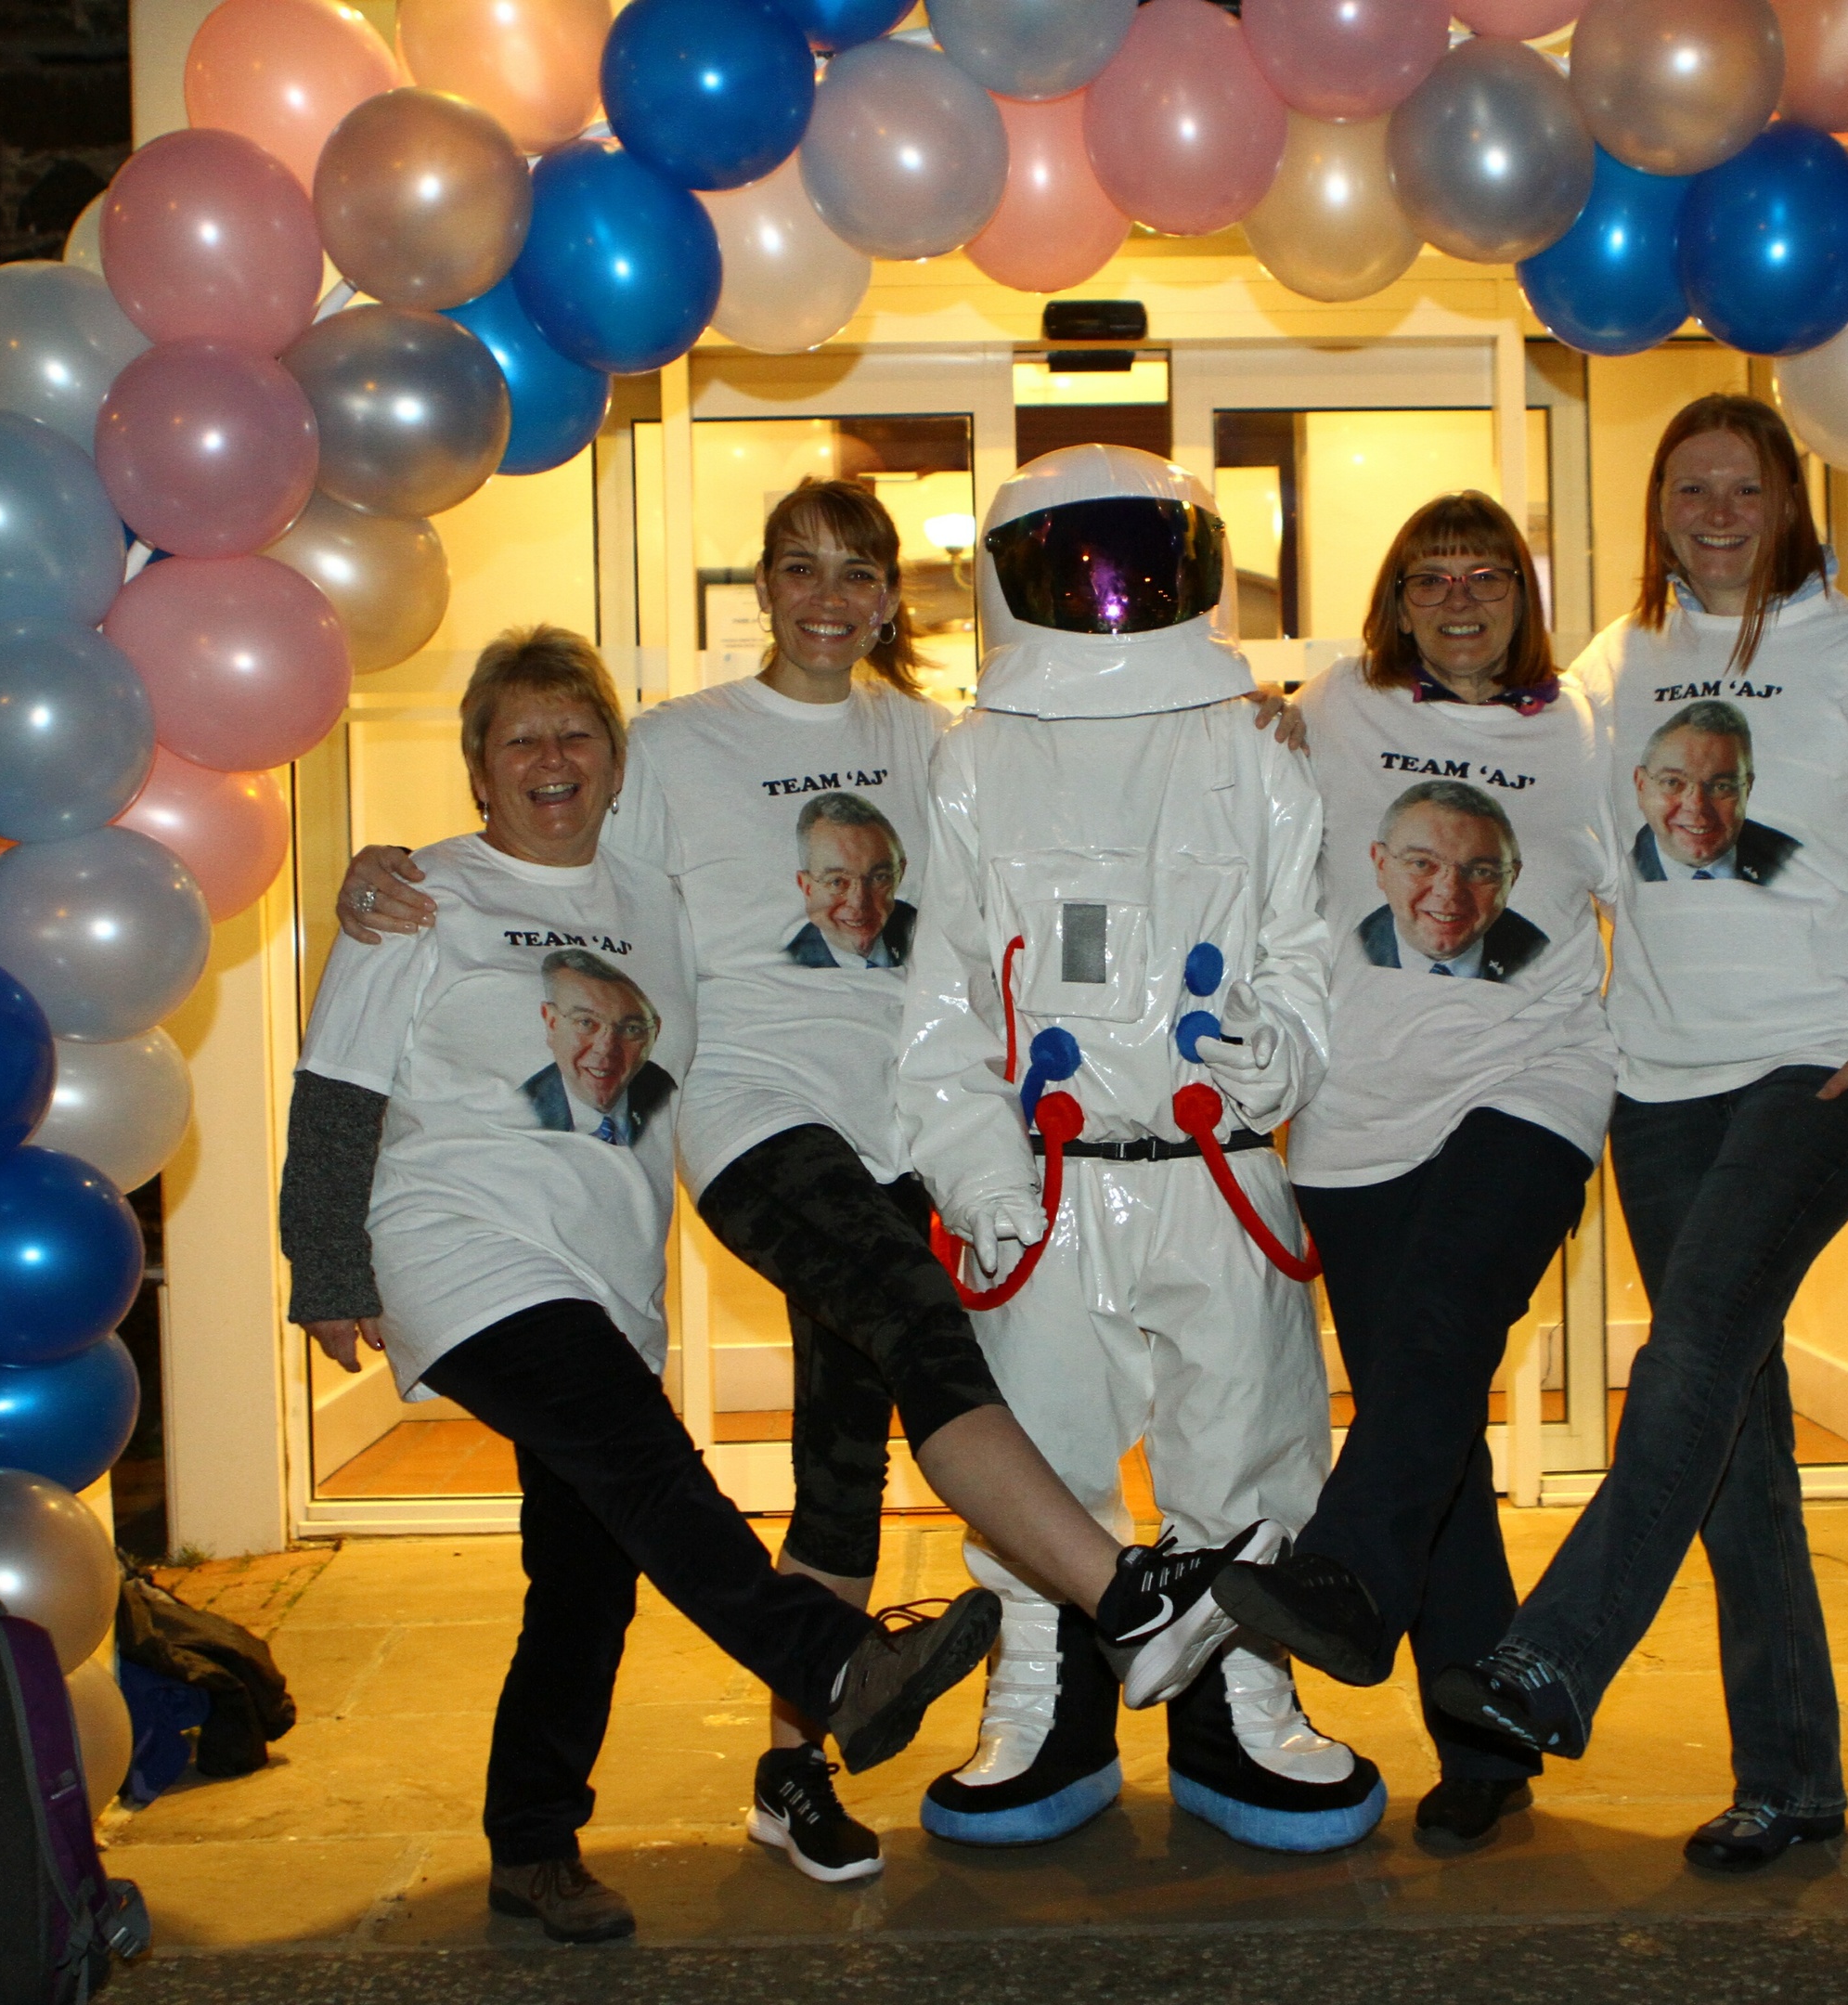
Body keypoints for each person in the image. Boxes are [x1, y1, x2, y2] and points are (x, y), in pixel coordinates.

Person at [332, 485, 1262, 1888]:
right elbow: (563, 874)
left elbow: (1074, 832)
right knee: (918, 1326)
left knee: (846, 1456)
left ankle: (789, 1775)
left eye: (858, 573)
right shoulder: (677, 748)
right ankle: (1127, 1605)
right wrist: (382, 885)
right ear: (758, 587)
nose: (828, 596)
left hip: (913, 1129)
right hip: (759, 1121)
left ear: (895, 597)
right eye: (797, 569)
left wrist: (1262, 736)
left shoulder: (937, 742)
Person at [1212, 493, 1848, 1851]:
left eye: (1487, 577)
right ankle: (1481, 1744)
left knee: (1432, 1350)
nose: (1462, 600)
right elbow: (1230, 820)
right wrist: (1244, 716)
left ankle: (1345, 1577)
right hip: (1355, 1120)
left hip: (1536, 1083)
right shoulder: (1334, 709)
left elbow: (1690, 850)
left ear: (1521, 599)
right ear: (1397, 598)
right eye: (1432, 578)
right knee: (1432, 1417)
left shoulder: (1582, 722)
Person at [278, 627, 1002, 1943]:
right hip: (465, 1248)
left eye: (577, 736)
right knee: (661, 1478)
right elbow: (337, 1089)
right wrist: (323, 1262)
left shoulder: (658, 899)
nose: (552, 760)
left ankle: (534, 1847)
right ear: (480, 771)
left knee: (589, 1571)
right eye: (521, 740)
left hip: (609, 1269)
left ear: (617, 764)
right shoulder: (425, 897)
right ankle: (832, 1660)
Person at [1426, 394, 1848, 1873]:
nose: (1715, 511)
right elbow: (1510, 803)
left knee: (1685, 1355)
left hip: (1821, 1072)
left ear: (1788, 498)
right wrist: (1300, 715)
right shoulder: (1612, 671)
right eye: (1689, 489)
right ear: (1657, 509)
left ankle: (1557, 1652)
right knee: (1735, 1430)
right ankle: (1794, 1780)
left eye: (1741, 488)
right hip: (1656, 1085)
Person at [899, 443, 1383, 1854]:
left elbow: (1303, 953)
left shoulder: (1255, 752)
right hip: (1053, 1181)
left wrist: (1277, 1056)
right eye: (1079, 564)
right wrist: (975, 1169)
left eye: (1137, 560)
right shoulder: (977, 762)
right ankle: (1040, 1691)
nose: (1112, 595)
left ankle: (1242, 1692)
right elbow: (938, 997)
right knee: (1041, 1450)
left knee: (1245, 1439)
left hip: (1211, 1168)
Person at [1357, 779, 1551, 980]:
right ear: (1381, 865)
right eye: (1422, 864)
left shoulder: (1544, 961)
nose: (1450, 890)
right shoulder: (1345, 950)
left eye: (1480, 871)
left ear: (1511, 878)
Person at [1632, 699, 1803, 884]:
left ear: (1748, 789)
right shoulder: (1618, 871)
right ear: (1641, 786)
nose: (1696, 805)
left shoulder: (1794, 863)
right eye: (1673, 782)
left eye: (1721, 786)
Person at [520, 951, 675, 1142]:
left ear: (655, 1033)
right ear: (552, 1023)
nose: (606, 1047)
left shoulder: (665, 1091)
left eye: (631, 1029)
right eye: (586, 1023)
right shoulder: (521, 1110)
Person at [784, 791, 917, 968]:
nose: (859, 902)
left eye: (878, 877)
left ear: (899, 874)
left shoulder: (923, 929)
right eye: (837, 882)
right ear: (806, 887)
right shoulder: (787, 964)